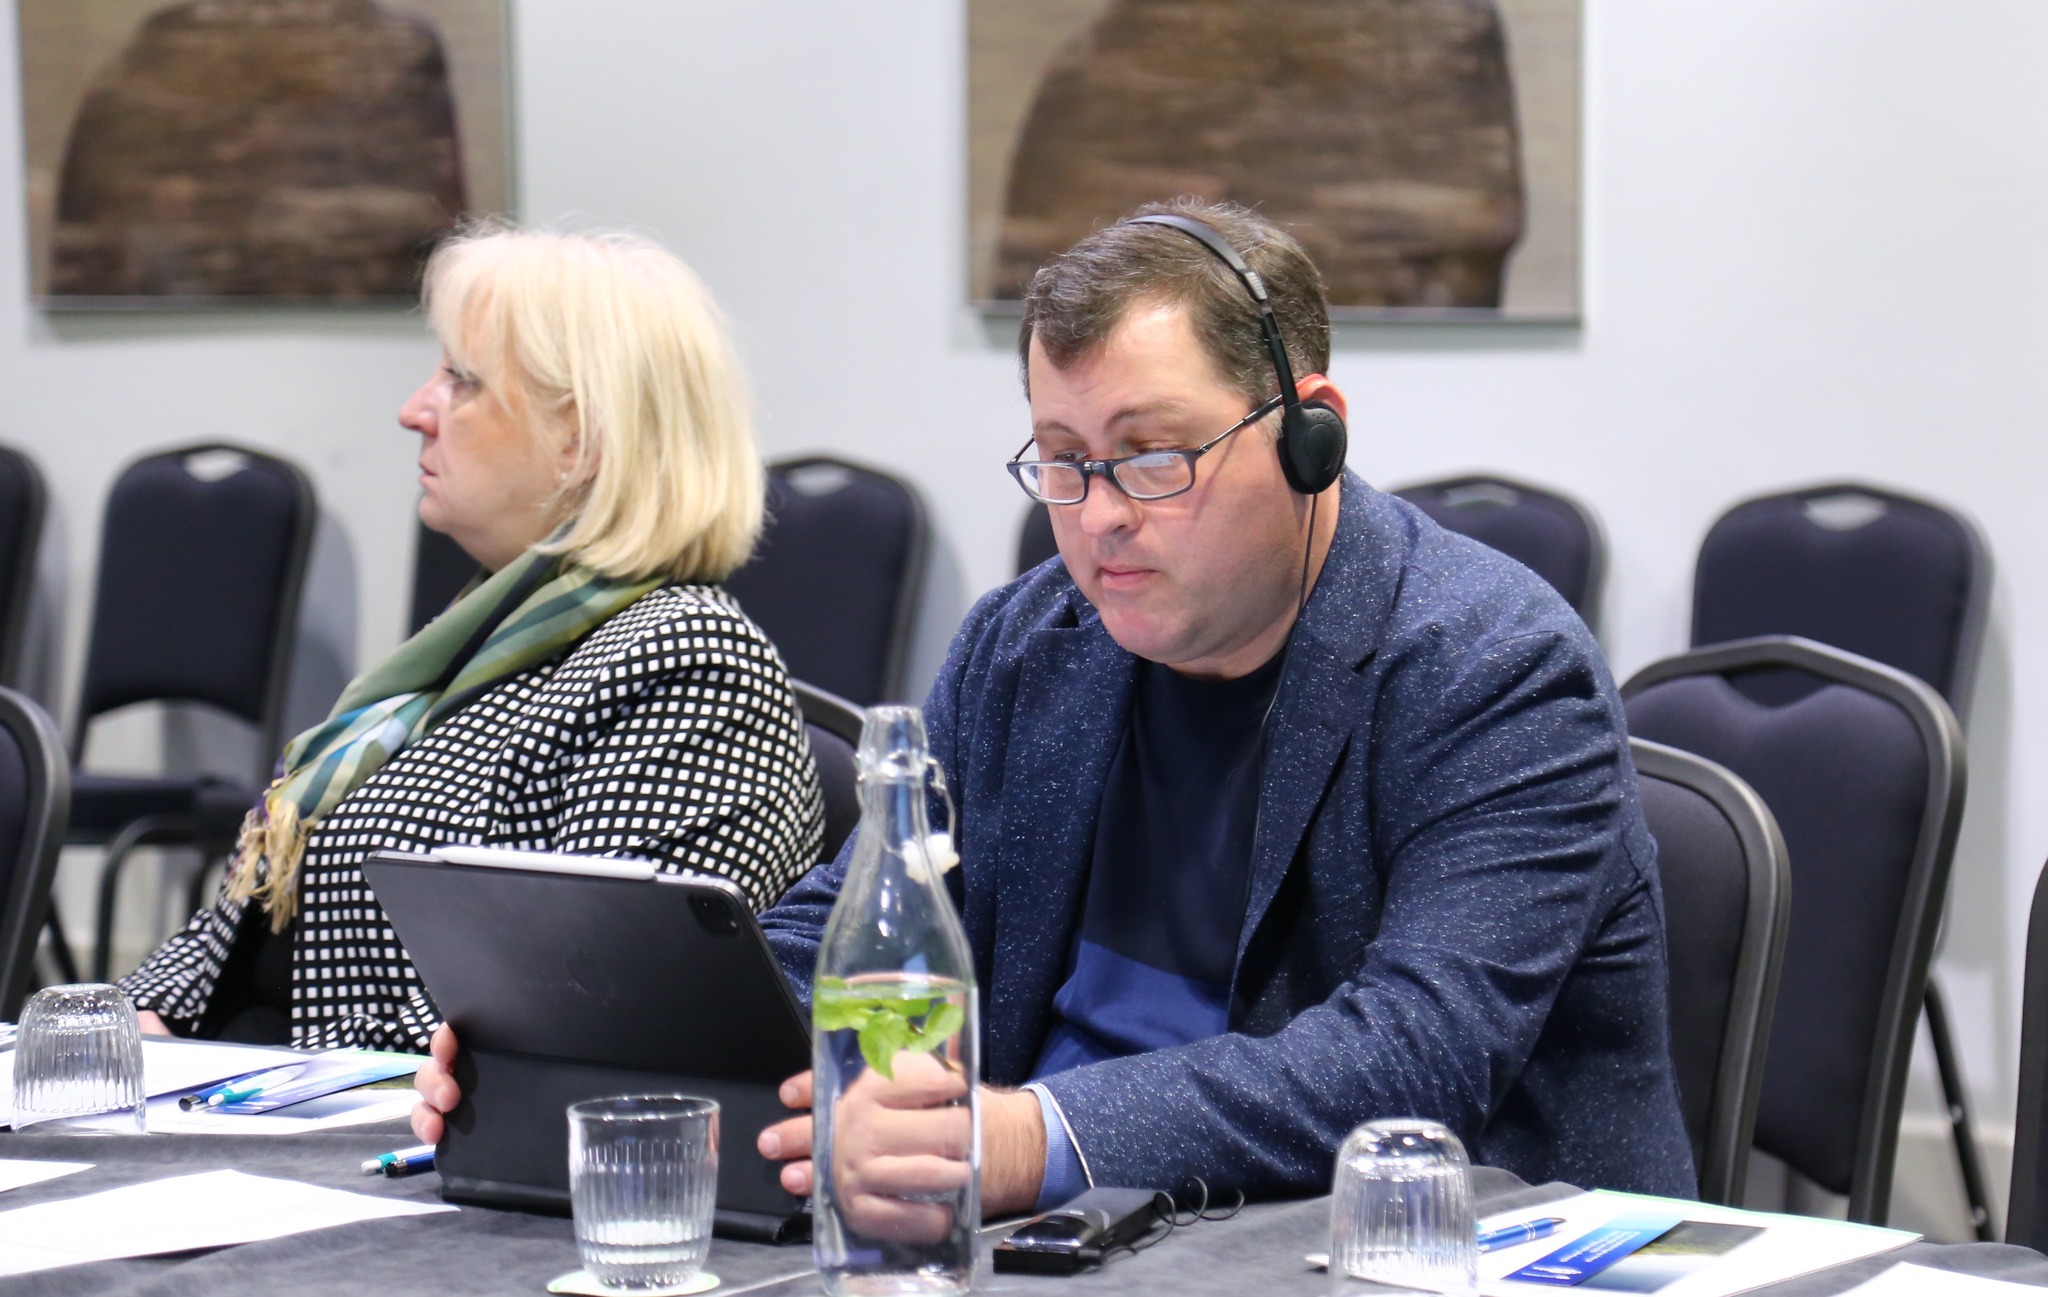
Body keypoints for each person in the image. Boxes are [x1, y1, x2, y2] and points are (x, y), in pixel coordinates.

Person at [415, 200, 1693, 1212]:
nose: (1099, 517)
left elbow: (1413, 1057)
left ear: (1311, 436)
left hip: (1407, 1239)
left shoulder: (1492, 666)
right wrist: (601, 1046)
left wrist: (1033, 1136)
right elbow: (849, 928)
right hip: (1063, 1241)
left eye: (1152, 455)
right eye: (1065, 461)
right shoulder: (1028, 644)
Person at [122, 225, 825, 1049]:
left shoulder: (687, 662)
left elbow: (585, 998)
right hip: (266, 1088)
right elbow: (241, 932)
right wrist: (122, 1020)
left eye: (461, 379)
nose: (414, 410)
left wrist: (271, 1083)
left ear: (582, 441)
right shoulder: (480, 640)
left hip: (385, 1113)